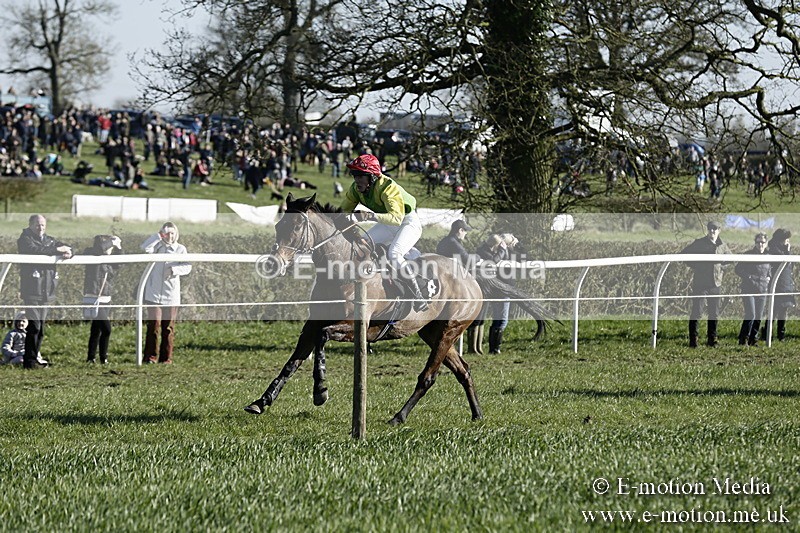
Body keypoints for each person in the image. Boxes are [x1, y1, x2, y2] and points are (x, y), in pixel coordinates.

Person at [340, 154, 429, 312]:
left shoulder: (388, 187)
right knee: (362, 244)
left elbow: (396, 218)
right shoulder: (355, 189)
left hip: (407, 221)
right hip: (387, 223)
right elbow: (341, 211)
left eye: (361, 176)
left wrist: (369, 215)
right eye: (355, 175)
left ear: (372, 177)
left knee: (394, 254)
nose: (357, 180)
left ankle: (418, 294)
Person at [17, 214, 72, 368]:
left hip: (47, 291)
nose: (40, 228)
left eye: (42, 225)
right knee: (34, 326)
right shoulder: (25, 239)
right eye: (37, 225)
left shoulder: (50, 240)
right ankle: (29, 362)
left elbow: (67, 247)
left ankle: (34, 359)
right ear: (30, 225)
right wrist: (56, 250)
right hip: (31, 290)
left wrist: (68, 252)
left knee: (40, 329)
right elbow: (35, 250)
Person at [140, 222, 192, 364]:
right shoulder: (157, 247)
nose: (170, 236)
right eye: (167, 233)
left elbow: (187, 267)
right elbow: (144, 248)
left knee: (168, 327)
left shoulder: (181, 249)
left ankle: (166, 358)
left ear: (176, 234)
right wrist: (158, 236)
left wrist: (174, 270)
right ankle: (150, 357)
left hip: (171, 295)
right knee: (154, 325)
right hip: (153, 293)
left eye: (172, 233)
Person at [680, 220, 732, 348]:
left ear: (719, 230)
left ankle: (712, 339)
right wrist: (697, 266)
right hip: (701, 284)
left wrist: (722, 268)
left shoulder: (722, 245)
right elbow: (684, 255)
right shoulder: (699, 243)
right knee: (697, 312)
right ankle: (693, 340)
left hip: (715, 284)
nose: (712, 231)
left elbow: (730, 259)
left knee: (714, 313)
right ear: (707, 230)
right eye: (710, 229)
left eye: (715, 229)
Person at [437, 219, 479, 351]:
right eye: (465, 231)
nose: (465, 234)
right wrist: (479, 257)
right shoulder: (453, 242)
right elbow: (468, 260)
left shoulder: (445, 241)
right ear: (460, 230)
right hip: (452, 280)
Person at [83, 235, 123, 364]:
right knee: (107, 329)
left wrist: (119, 247)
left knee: (96, 330)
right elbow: (98, 249)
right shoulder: (91, 254)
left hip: (106, 299)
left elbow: (120, 263)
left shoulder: (109, 261)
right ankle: (102, 357)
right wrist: (111, 242)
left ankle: (93, 358)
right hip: (93, 298)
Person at [735, 233, 771, 346]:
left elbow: (770, 270)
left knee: (758, 316)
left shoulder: (769, 256)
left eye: (762, 242)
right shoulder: (748, 255)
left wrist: (769, 277)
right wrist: (749, 277)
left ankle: (753, 339)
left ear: (766, 243)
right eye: (758, 242)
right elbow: (738, 269)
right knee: (751, 314)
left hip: (762, 290)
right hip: (749, 289)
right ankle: (743, 339)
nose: (760, 244)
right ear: (755, 243)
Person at [766, 228, 795, 341]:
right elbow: (784, 262)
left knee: (783, 311)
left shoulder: (783, 249)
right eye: (786, 239)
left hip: (786, 285)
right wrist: (788, 252)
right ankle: (768, 333)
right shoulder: (774, 250)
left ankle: (781, 334)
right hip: (778, 285)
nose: (788, 242)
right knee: (773, 311)